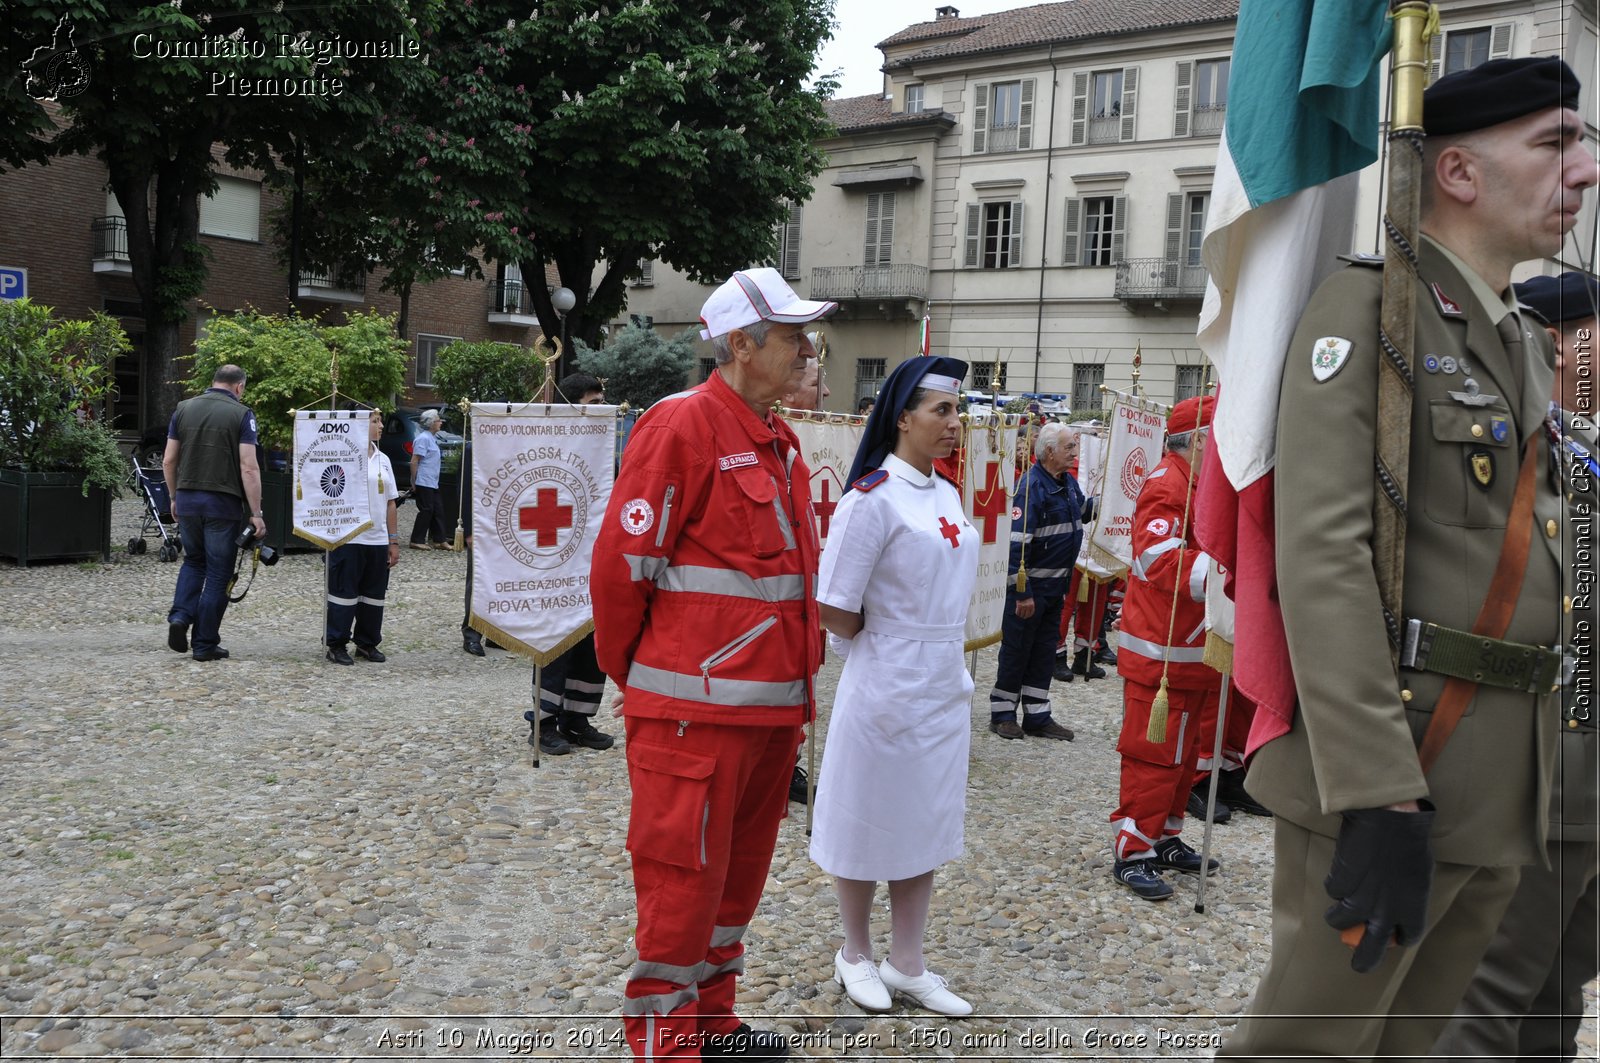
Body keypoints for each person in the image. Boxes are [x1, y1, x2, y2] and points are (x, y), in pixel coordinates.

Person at [1219, 57, 1591, 1060]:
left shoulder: (1511, 334)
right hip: (1404, 762)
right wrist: (1377, 788)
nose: (1586, 170)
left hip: (1498, 778)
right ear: (1460, 174)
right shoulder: (1371, 312)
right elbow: (1324, 558)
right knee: (1310, 1046)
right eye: (1555, 143)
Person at [591, 266, 834, 1061]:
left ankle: (713, 1022)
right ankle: (666, 1043)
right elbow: (622, 570)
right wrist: (645, 678)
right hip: (694, 714)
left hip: (766, 713)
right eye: (792, 334)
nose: (805, 349)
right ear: (741, 343)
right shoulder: (682, 425)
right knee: (680, 884)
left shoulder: (777, 437)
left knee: (733, 885)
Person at [1431, 270, 1598, 1061]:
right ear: (1558, 343)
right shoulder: (1527, 443)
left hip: (1588, 775)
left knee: (1557, 994)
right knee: (1490, 994)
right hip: (1550, 765)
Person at [810, 355, 978, 1018]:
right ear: (902, 416)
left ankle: (908, 961)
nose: (954, 423)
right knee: (866, 815)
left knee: (924, 820)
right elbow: (836, 602)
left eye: (957, 411)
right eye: (942, 410)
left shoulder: (945, 493)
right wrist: (888, 647)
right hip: (886, 676)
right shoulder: (871, 498)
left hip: (941, 681)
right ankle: (855, 950)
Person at [1108, 395, 1222, 901]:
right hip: (1162, 651)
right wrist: (1224, 572)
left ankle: (1166, 835)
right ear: (1198, 439)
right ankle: (1133, 848)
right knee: (1154, 755)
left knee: (1186, 753)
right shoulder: (1167, 482)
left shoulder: (1200, 482)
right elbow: (1155, 557)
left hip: (1193, 649)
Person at [525, 372, 615, 756]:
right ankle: (543, 723)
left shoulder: (602, 448)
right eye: (594, 403)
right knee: (555, 641)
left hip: (593, 561)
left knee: (592, 643)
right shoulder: (546, 444)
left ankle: (577, 719)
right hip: (555, 560)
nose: (602, 410)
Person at [988, 422, 1086, 742]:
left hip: (1056, 589)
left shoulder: (1067, 484)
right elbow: (1016, 545)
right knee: (1017, 651)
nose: (1075, 452)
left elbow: (1083, 511)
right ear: (1048, 452)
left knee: (1043, 652)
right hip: (1030, 592)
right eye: (1069, 447)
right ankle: (1002, 712)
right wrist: (1023, 593)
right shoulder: (1030, 487)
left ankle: (1037, 714)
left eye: (1074, 446)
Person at [163, 363, 266, 662]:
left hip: (187, 500)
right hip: (222, 504)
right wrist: (256, 512)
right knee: (219, 573)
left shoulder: (182, 408)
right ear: (239, 387)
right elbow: (248, 466)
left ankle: (180, 616)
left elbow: (169, 460)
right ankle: (205, 643)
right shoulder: (242, 415)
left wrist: (173, 497)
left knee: (193, 562)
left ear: (214, 381)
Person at [781, 357, 829, 802]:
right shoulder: (782, 438)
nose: (827, 394)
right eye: (818, 383)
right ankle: (786, 764)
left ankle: (789, 761)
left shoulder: (830, 434)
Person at [325, 410, 400, 665]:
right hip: (348, 538)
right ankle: (336, 643)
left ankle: (367, 642)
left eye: (379, 421)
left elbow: (391, 502)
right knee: (343, 594)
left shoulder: (383, 459)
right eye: (375, 421)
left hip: (377, 539)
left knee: (373, 595)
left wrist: (393, 540)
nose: (380, 426)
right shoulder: (339, 454)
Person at [408, 409, 448, 549]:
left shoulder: (432, 438)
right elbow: (414, 461)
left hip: (432, 481)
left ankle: (440, 539)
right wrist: (414, 480)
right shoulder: (423, 439)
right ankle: (416, 540)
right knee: (426, 510)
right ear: (431, 423)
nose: (440, 422)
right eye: (438, 420)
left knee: (438, 509)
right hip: (424, 480)